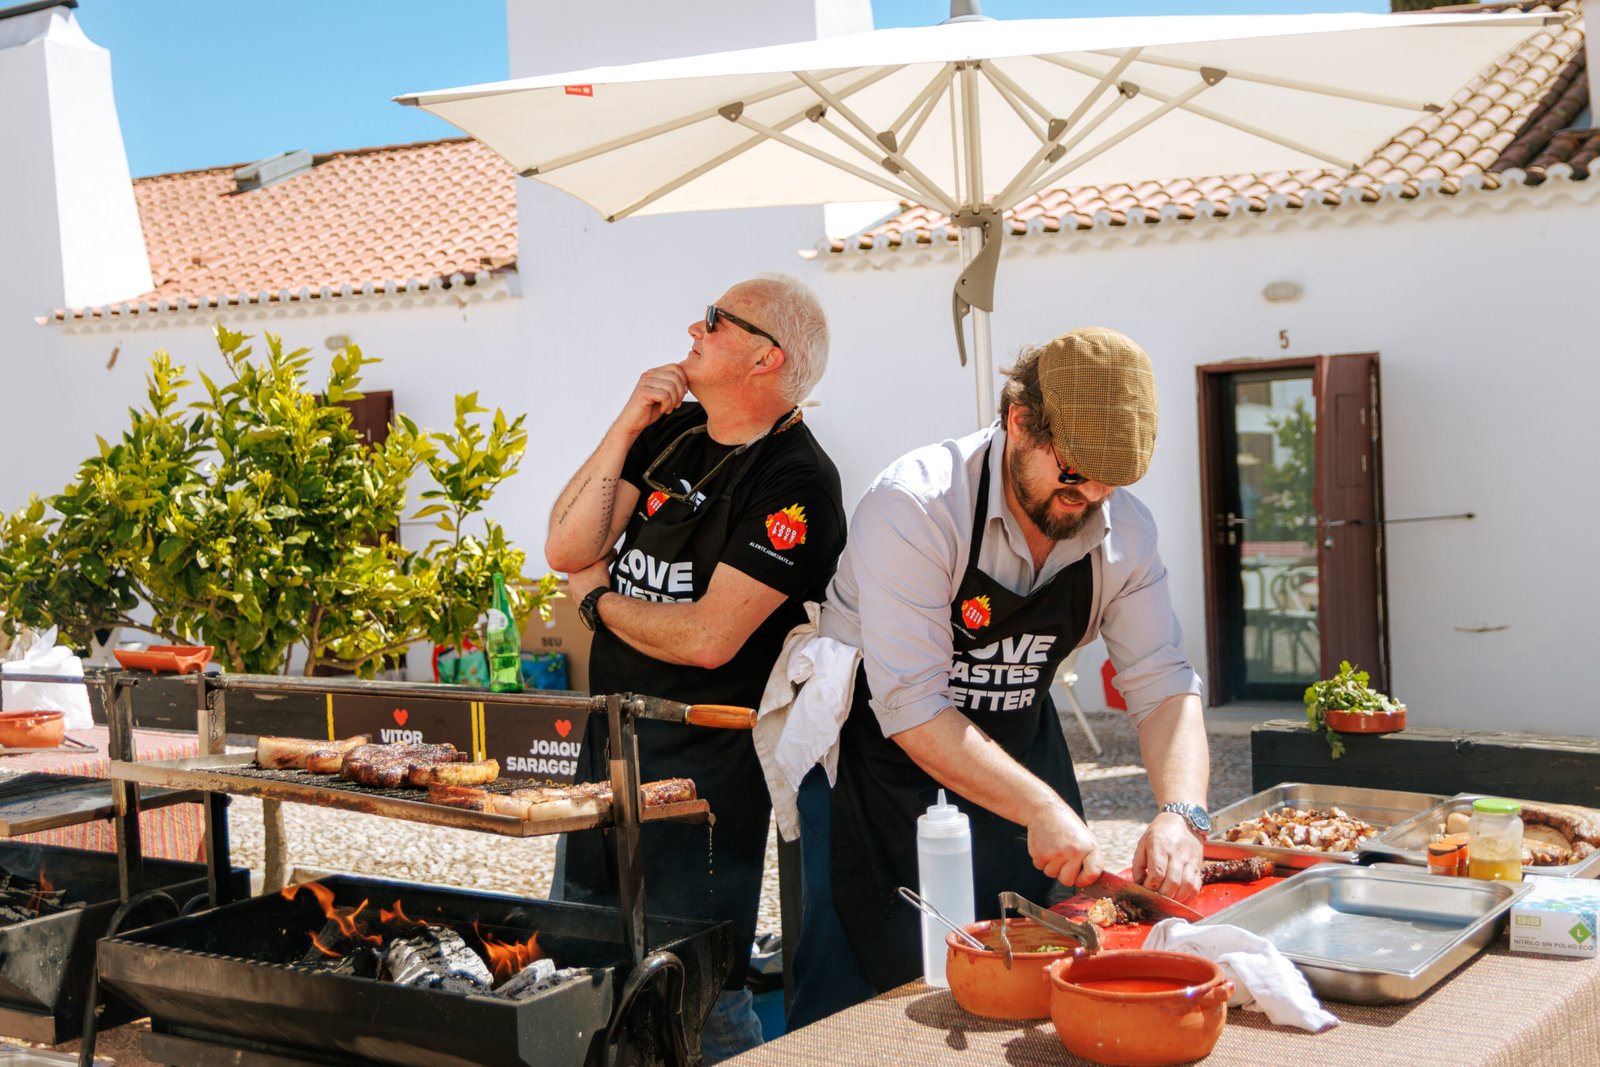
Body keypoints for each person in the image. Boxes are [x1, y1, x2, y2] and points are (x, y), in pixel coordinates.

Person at [787, 326, 1210, 1026]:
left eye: (1110, 480)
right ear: (1019, 421)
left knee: (1034, 984)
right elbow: (913, 706)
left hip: (1018, 749)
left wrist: (1181, 813)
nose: (1089, 495)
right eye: (1073, 471)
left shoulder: (1124, 534)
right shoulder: (916, 506)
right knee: (858, 1004)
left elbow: (1163, 682)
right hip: (875, 774)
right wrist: (1041, 808)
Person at [544, 274, 845, 1062]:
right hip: (606, 759)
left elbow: (709, 637)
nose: (693, 328)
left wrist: (597, 603)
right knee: (583, 969)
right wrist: (627, 422)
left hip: (703, 785)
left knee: (698, 993)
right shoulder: (671, 430)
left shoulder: (798, 481)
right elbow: (566, 546)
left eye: (715, 320)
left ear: (764, 357)